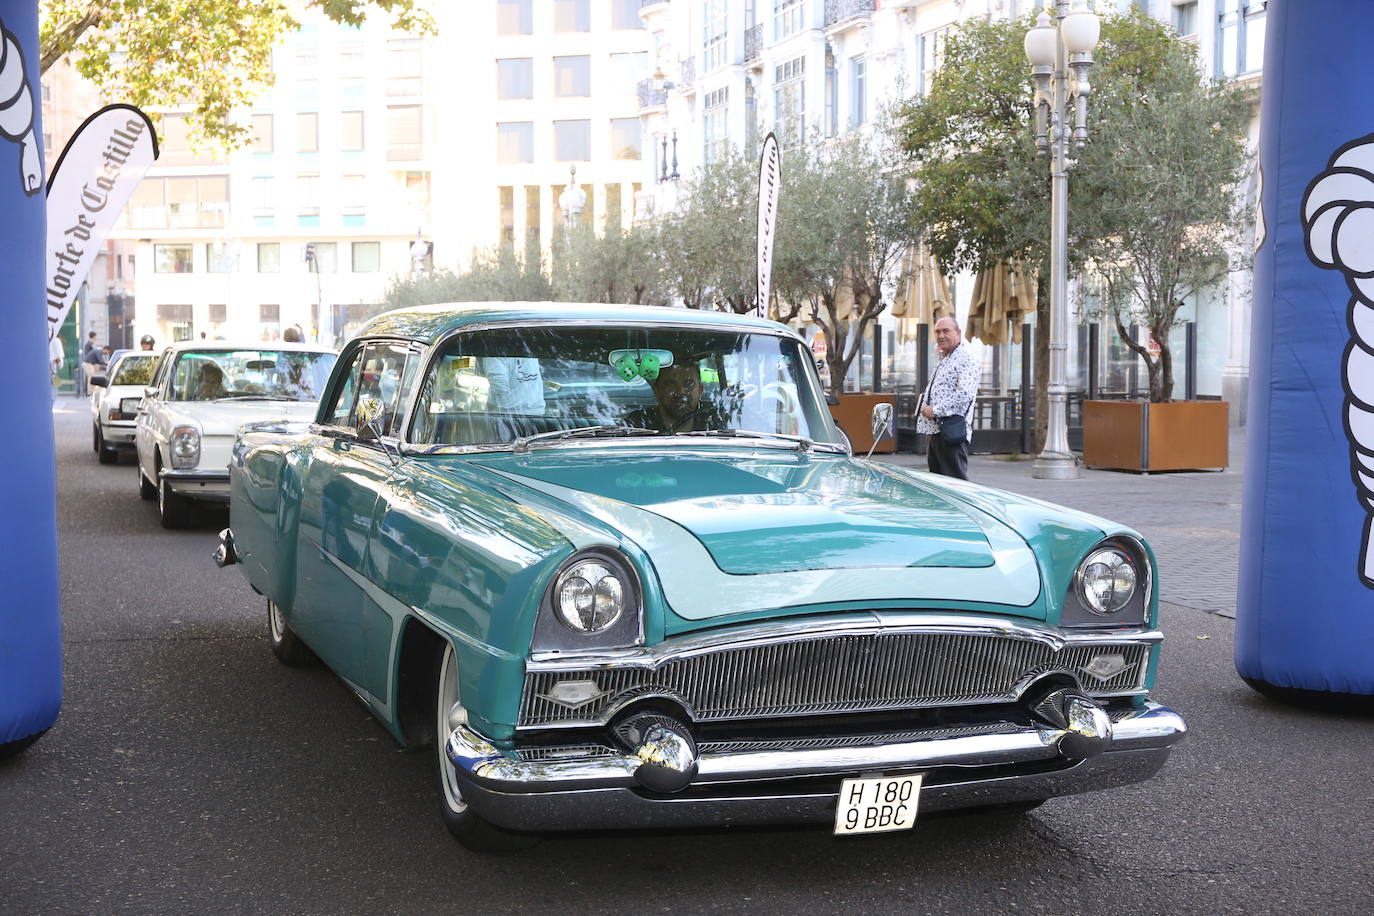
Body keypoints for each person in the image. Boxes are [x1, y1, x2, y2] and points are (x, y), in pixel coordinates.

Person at [916, 316, 980, 480]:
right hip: (936, 431)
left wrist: (936, 410)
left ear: (958, 333)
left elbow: (965, 394)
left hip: (951, 430)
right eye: (937, 331)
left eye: (946, 331)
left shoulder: (965, 358)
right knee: (939, 485)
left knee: (955, 485)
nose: (941, 335)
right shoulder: (947, 357)